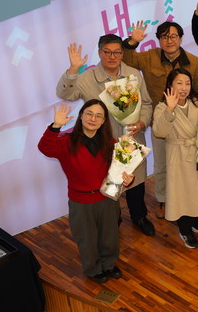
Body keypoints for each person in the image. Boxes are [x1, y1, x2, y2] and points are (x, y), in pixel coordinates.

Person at [56, 36, 155, 237]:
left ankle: (139, 217)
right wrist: (73, 70)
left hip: (132, 139)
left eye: (117, 52)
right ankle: (113, 220)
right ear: (100, 52)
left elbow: (146, 103)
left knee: (135, 183)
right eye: (107, 52)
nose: (112, 56)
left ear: (122, 54)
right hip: (102, 142)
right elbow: (65, 94)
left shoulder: (134, 74)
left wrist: (142, 123)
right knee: (109, 182)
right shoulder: (87, 78)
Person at [38, 101, 133, 283]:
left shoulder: (110, 143)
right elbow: (45, 148)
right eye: (89, 113)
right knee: (87, 239)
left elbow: (121, 170)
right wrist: (56, 126)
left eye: (98, 116)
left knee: (109, 236)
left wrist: (129, 179)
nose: (93, 119)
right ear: (81, 115)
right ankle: (93, 269)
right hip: (81, 202)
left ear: (103, 121)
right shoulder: (66, 142)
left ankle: (109, 264)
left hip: (107, 198)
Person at [122, 21, 198, 216]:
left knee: (190, 165)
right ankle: (163, 199)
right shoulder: (149, 57)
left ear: (181, 39)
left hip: (188, 125)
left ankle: (189, 197)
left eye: (173, 36)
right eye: (164, 37)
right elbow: (128, 60)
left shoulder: (194, 62)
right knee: (162, 165)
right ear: (159, 40)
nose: (169, 41)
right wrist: (133, 42)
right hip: (161, 122)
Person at [152, 69, 198, 248]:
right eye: (179, 83)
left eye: (187, 83)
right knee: (182, 193)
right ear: (170, 85)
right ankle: (185, 230)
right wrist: (170, 110)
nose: (184, 88)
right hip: (178, 154)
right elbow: (159, 132)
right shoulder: (162, 107)